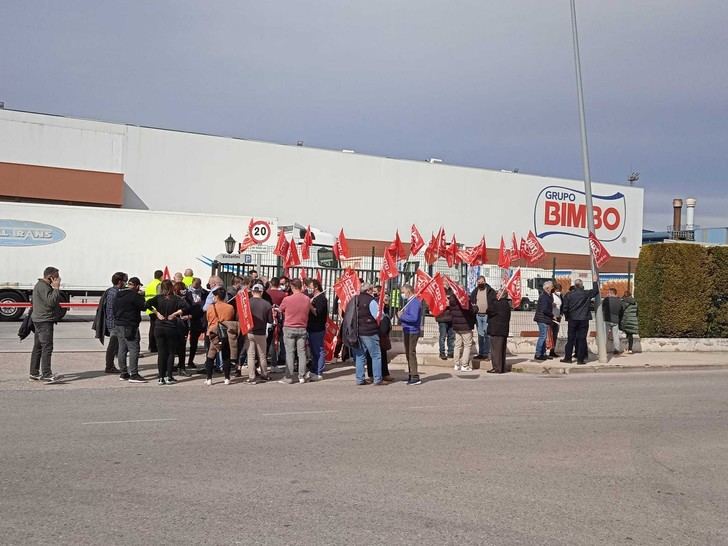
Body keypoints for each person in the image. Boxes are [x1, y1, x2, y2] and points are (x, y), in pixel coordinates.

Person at [146, 280, 188, 385]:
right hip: (171, 327)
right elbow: (187, 307)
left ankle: (161, 377)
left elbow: (146, 304)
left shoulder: (158, 298)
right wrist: (175, 313)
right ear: (171, 287)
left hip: (159, 327)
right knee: (170, 352)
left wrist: (156, 313)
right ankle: (169, 376)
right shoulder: (176, 299)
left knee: (161, 353)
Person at [343, 283, 385, 385]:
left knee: (360, 356)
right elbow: (379, 316)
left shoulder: (354, 299)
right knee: (376, 355)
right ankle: (377, 378)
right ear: (369, 290)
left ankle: (360, 379)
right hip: (370, 332)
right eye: (372, 290)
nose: (373, 292)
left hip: (356, 333)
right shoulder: (371, 301)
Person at [29, 266, 63, 383]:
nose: (59, 279)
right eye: (57, 277)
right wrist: (56, 289)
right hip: (44, 320)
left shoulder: (39, 285)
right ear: (50, 277)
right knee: (47, 347)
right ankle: (47, 374)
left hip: (38, 319)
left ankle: (34, 372)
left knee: (38, 347)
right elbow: (51, 302)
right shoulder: (44, 287)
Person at [113, 277, 147, 383]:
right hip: (130, 325)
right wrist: (142, 297)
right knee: (134, 349)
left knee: (122, 349)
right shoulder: (135, 296)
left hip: (119, 324)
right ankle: (134, 374)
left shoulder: (118, 294)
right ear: (137, 286)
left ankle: (123, 373)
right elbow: (144, 307)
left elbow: (113, 308)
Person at [278, 279, 311, 384]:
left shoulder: (287, 299)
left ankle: (289, 377)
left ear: (292, 287)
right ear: (301, 286)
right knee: (302, 353)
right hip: (302, 328)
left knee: (290, 353)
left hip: (289, 327)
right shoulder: (307, 299)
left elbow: (280, 309)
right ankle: (302, 376)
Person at [93, 272, 126, 373]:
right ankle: (109, 366)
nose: (126, 282)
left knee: (115, 344)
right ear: (120, 281)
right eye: (125, 280)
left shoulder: (111, 291)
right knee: (113, 344)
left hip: (112, 322)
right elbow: (113, 310)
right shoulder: (115, 293)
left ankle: (111, 365)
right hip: (115, 323)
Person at [560, 279, 600, 365]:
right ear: (582, 285)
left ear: (575, 285)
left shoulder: (569, 295)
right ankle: (580, 359)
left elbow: (565, 308)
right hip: (583, 319)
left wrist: (567, 317)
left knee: (570, 339)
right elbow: (596, 291)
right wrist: (594, 281)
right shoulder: (586, 293)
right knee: (582, 339)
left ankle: (568, 358)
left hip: (572, 319)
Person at [203, 288, 236, 385]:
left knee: (210, 355)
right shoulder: (230, 307)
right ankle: (227, 378)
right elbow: (231, 318)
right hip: (225, 332)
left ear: (216, 296)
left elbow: (208, 318)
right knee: (226, 355)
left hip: (213, 332)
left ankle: (209, 378)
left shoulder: (210, 307)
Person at [245, 283, 274, 384]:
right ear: (261, 292)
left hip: (249, 331)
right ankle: (264, 374)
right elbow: (270, 321)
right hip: (261, 332)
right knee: (262, 355)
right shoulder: (267, 304)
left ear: (252, 292)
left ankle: (252, 377)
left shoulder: (247, 303)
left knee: (251, 355)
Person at [398, 284, 423, 385]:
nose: (402, 294)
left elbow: (413, 318)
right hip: (408, 330)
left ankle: (415, 376)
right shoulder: (410, 302)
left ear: (408, 291)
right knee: (408, 353)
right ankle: (411, 373)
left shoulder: (415, 302)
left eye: (403, 291)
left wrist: (402, 316)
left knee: (411, 353)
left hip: (412, 331)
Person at [306, 278, 328, 381]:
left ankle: (319, 372)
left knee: (318, 350)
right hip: (310, 327)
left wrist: (309, 305)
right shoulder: (311, 297)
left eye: (309, 286)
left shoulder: (321, 299)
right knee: (313, 351)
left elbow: (317, 313)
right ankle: (314, 370)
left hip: (318, 328)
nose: (308, 288)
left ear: (315, 287)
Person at [486, 287, 512, 373]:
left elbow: (489, 310)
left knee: (496, 351)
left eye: (497, 293)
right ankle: (501, 367)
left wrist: (493, 300)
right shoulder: (507, 304)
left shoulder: (497, 304)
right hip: (503, 330)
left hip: (496, 330)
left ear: (501, 295)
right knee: (502, 350)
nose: (496, 294)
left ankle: (497, 368)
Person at [449, 290, 476, 372]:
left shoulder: (452, 300)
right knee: (467, 345)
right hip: (466, 326)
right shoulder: (464, 300)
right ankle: (465, 365)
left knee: (457, 345)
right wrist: (475, 307)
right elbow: (471, 311)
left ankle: (456, 364)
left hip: (457, 326)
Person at [185, 277, 207, 368]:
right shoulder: (187, 293)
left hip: (202, 320)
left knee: (206, 342)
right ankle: (189, 361)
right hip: (190, 320)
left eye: (198, 285)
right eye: (195, 285)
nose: (197, 287)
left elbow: (205, 305)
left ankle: (206, 362)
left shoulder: (204, 293)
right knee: (192, 343)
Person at [172, 281, 193, 376]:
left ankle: (180, 367)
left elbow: (192, 310)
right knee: (180, 348)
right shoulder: (177, 300)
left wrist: (188, 316)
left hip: (180, 324)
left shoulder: (186, 299)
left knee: (180, 347)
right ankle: (180, 367)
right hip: (179, 325)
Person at [471, 276, 491, 361]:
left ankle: (486, 353)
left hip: (487, 316)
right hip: (478, 316)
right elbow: (472, 301)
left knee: (487, 335)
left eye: (481, 282)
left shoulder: (490, 291)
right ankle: (481, 353)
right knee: (480, 335)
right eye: (478, 282)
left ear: (485, 281)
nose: (480, 284)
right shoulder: (475, 291)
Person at [533, 281, 555, 361]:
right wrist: (553, 315)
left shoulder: (548, 295)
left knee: (544, 337)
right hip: (542, 319)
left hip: (545, 319)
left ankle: (543, 353)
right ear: (547, 288)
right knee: (542, 336)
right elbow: (545, 309)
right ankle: (538, 354)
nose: (553, 288)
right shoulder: (544, 296)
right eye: (552, 286)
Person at [144, 270, 163, 353]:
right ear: (161, 276)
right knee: (156, 328)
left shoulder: (150, 284)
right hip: (155, 308)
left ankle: (151, 346)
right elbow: (159, 296)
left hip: (149, 307)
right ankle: (154, 346)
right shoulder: (158, 284)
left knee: (152, 327)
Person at [603, 287, 623, 354]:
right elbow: (621, 311)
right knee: (616, 336)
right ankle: (616, 349)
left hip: (607, 319)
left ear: (610, 293)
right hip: (615, 320)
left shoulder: (606, 299)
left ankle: (603, 349)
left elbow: (602, 308)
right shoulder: (619, 301)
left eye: (608, 292)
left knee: (605, 335)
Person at [435, 292, 455, 360]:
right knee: (442, 336)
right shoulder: (438, 292)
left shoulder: (452, 291)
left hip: (451, 318)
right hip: (442, 318)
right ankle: (442, 352)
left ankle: (450, 352)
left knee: (451, 336)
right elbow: (436, 304)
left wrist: (451, 304)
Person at [550, 283, 563, 358]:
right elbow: (547, 305)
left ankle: (552, 351)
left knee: (555, 335)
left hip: (558, 318)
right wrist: (552, 304)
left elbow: (562, 305)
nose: (559, 291)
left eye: (560, 290)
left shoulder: (560, 296)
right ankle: (547, 351)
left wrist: (561, 314)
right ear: (554, 289)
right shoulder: (551, 296)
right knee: (550, 335)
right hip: (551, 318)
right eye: (558, 290)